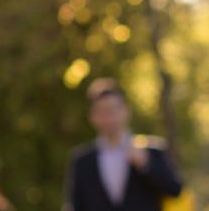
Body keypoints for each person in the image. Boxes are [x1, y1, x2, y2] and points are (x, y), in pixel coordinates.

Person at [64, 78, 183, 211]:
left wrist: (146, 166)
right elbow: (76, 206)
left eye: (111, 110)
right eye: (101, 112)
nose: (108, 118)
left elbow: (175, 191)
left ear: (126, 111)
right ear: (92, 117)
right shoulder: (82, 161)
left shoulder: (152, 150)